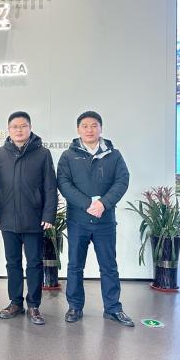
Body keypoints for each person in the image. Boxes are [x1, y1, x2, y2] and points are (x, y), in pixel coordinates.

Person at [57, 111, 134, 327]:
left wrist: (103, 203)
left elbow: (122, 180)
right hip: (77, 220)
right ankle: (75, 307)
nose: (89, 130)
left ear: (101, 128)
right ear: (78, 129)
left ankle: (113, 308)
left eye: (94, 125)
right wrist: (87, 204)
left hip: (105, 220)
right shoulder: (68, 156)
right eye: (85, 126)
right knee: (75, 266)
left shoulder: (114, 155)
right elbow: (63, 183)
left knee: (109, 266)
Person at [0, 111, 58, 325]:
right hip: (8, 217)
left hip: (34, 218)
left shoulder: (42, 153)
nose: (19, 130)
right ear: (8, 130)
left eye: (23, 126)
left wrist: (48, 214)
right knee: (13, 262)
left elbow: (50, 186)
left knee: (34, 263)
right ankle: (15, 302)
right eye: (14, 127)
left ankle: (34, 305)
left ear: (30, 128)